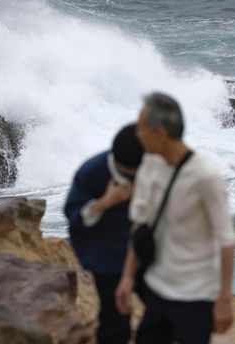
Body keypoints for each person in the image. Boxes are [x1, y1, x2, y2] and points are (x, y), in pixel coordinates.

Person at [116, 93, 235, 344]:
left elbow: (226, 240)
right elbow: (139, 225)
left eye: (141, 128)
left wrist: (224, 299)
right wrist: (128, 277)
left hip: (196, 296)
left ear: (159, 133)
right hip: (157, 289)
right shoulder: (149, 165)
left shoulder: (204, 177)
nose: (137, 134)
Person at [65, 123, 144, 344]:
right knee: (115, 319)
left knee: (164, 308)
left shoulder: (150, 166)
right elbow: (75, 219)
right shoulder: (92, 172)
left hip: (143, 250)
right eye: (130, 172)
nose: (135, 175)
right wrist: (106, 202)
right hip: (105, 255)